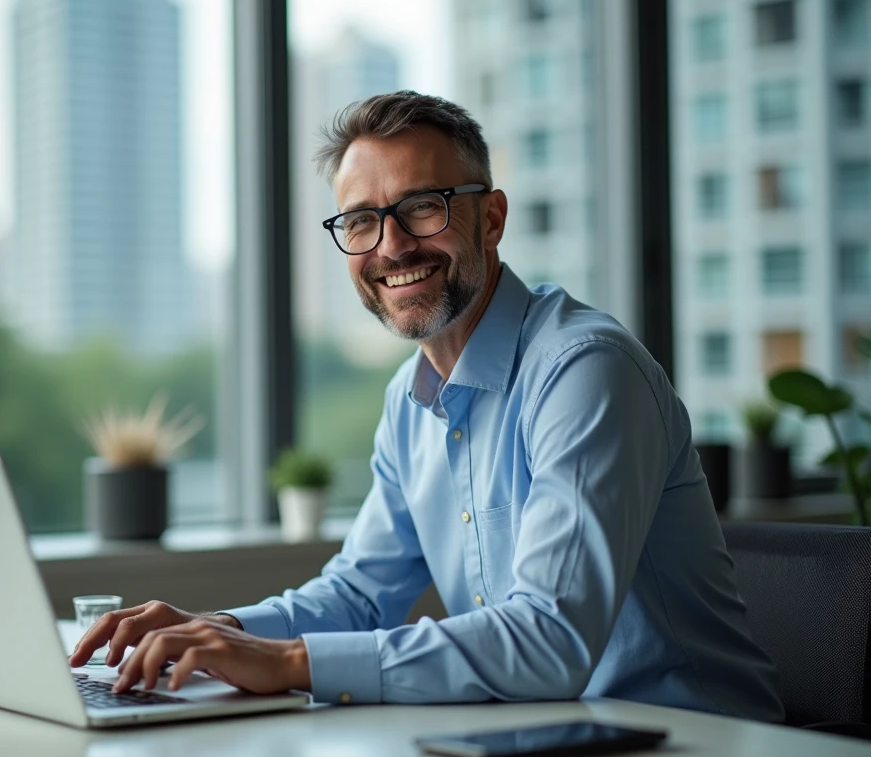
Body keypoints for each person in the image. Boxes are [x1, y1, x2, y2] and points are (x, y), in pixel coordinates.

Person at [70, 91, 784, 722]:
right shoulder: (409, 402)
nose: (391, 245)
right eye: (360, 221)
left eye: (421, 207)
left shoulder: (585, 371)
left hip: (690, 737)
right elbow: (359, 594)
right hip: (540, 735)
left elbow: (551, 641)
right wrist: (218, 631)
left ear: (492, 218)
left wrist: (290, 663)